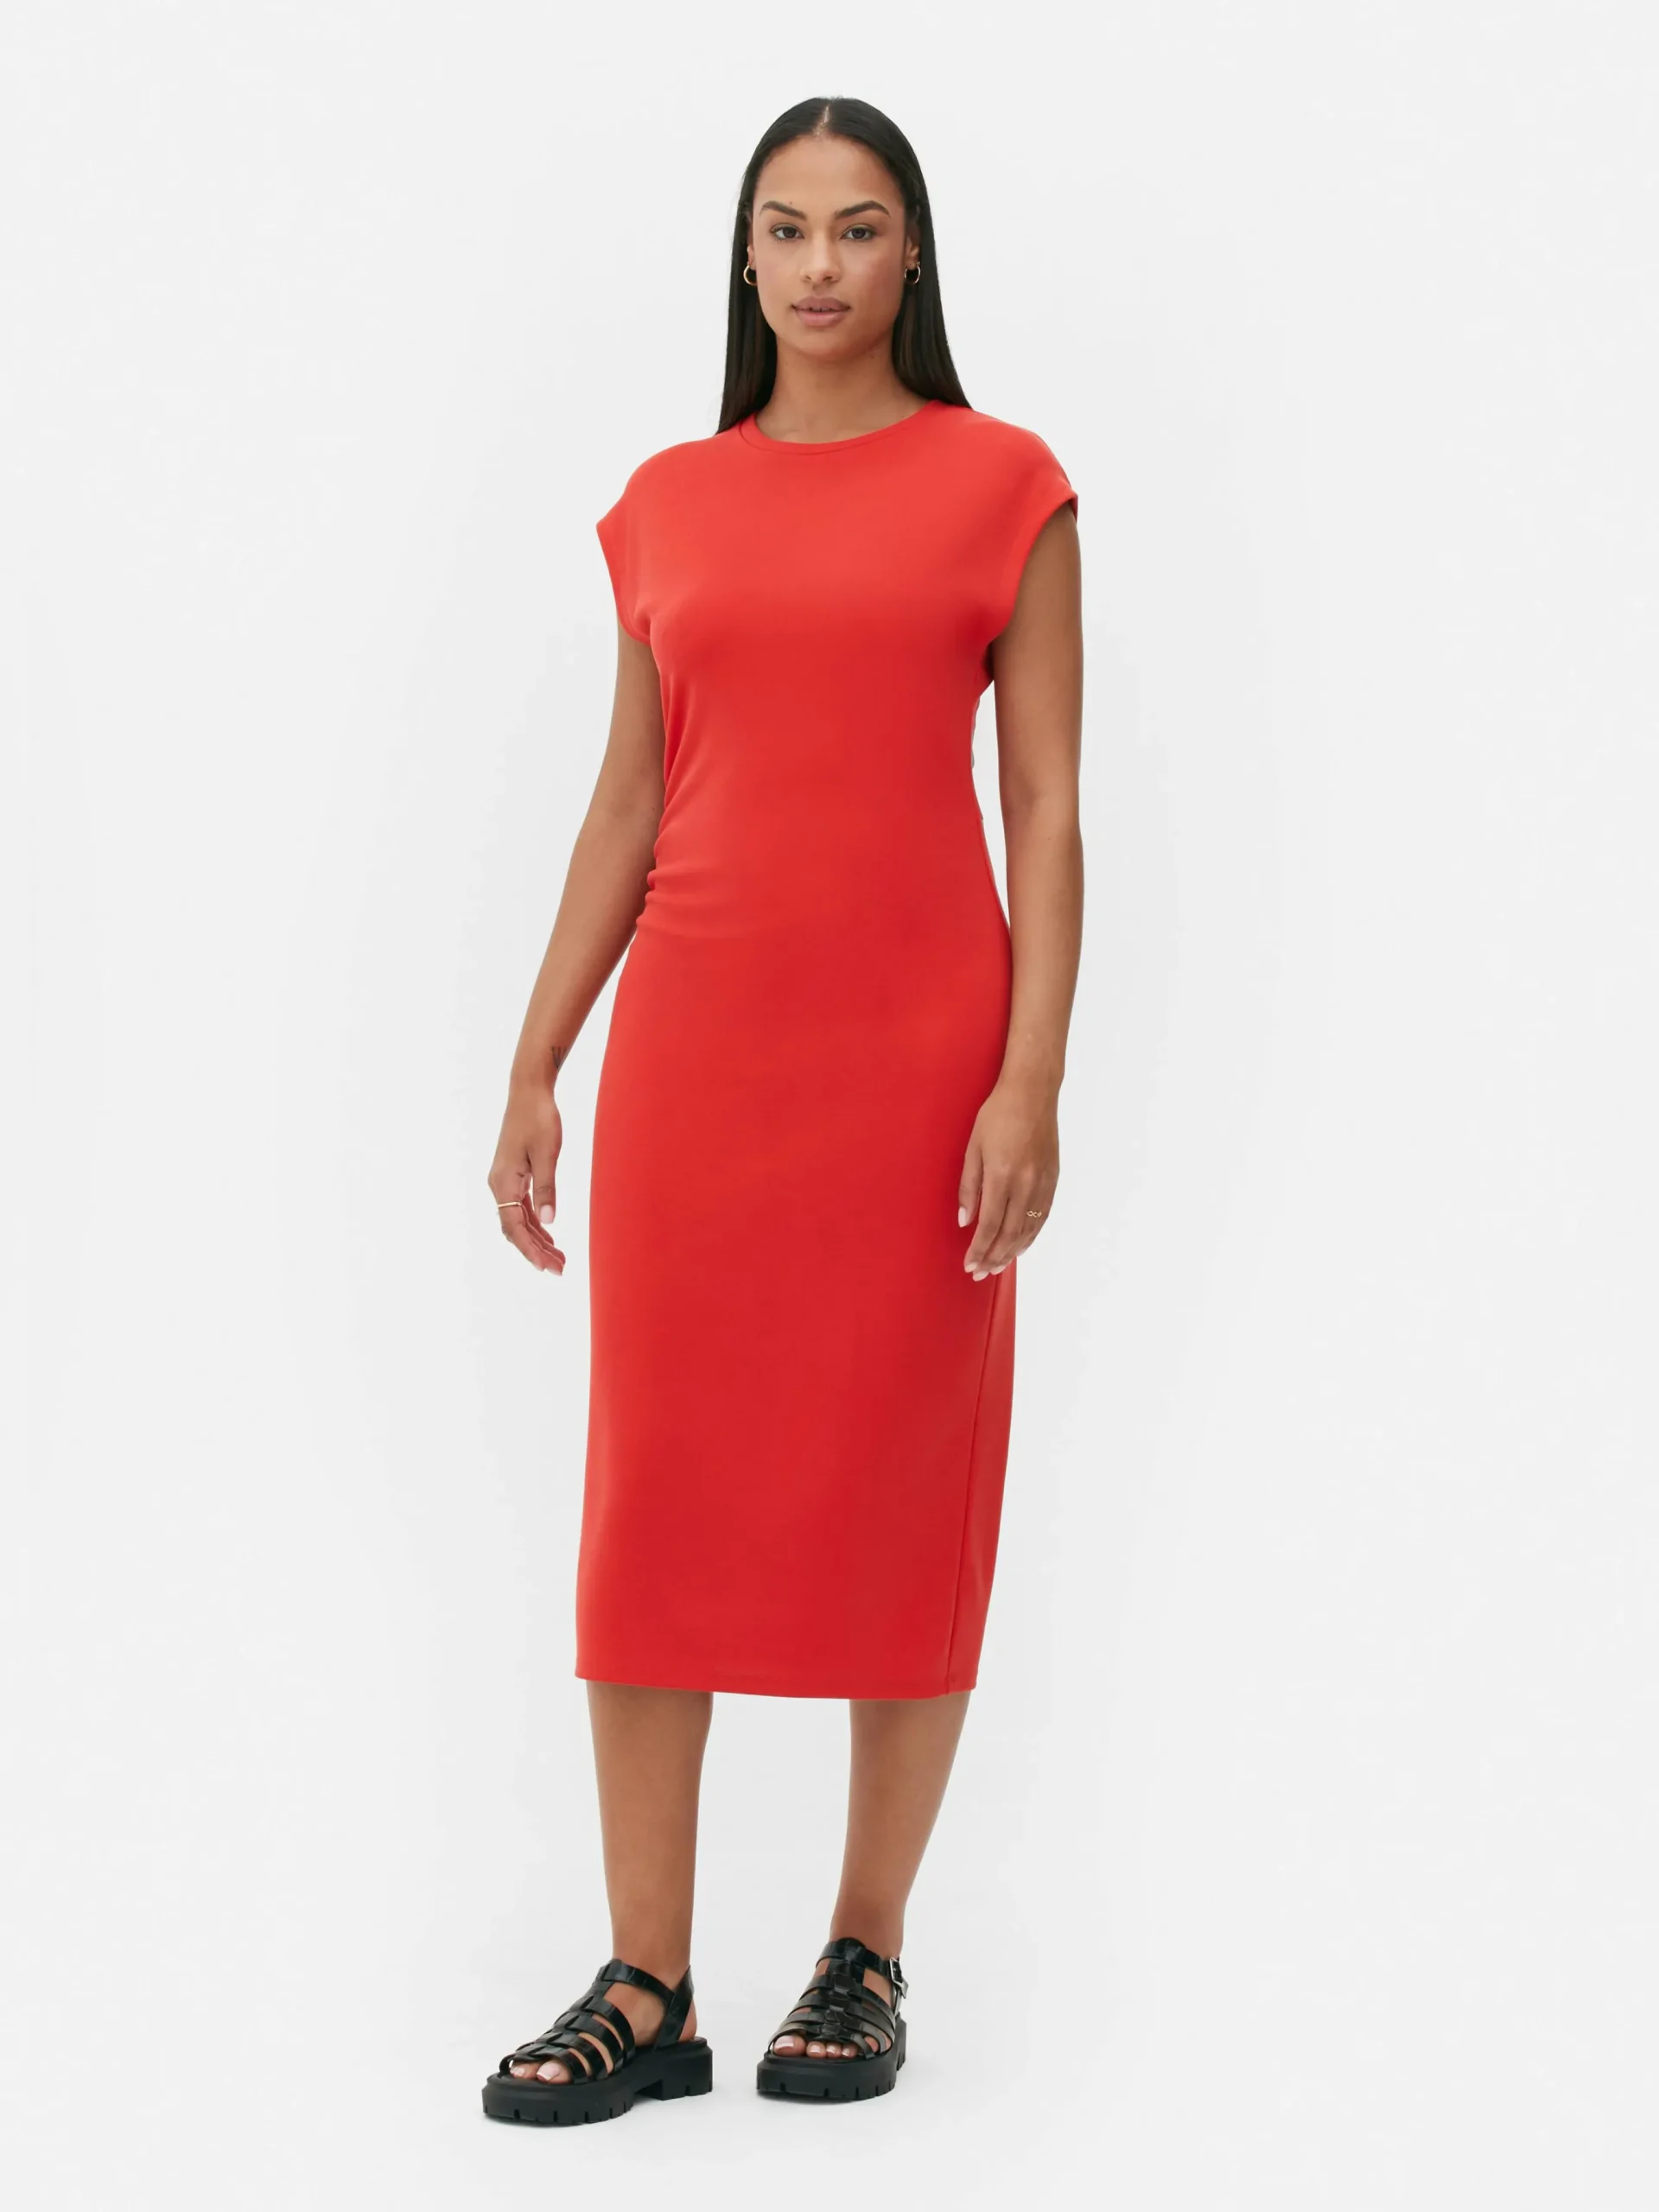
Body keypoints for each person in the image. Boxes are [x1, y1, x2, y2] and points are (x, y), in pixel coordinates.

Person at [480, 93, 1083, 2126]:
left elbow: (1047, 803)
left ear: (914, 254)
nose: (822, 263)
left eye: (861, 225)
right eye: (787, 228)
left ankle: (865, 1945)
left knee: (902, 1485)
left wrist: (1032, 1072)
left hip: (918, 1066)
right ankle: (646, 1979)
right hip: (699, 1066)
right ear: (745, 260)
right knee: (652, 1497)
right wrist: (536, 1055)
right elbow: (626, 803)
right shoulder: (668, 503)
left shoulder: (1007, 485)